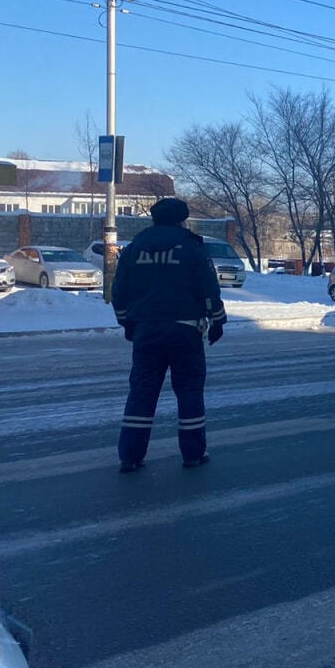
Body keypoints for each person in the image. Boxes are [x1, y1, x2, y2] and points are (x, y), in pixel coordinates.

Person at [111, 197, 227, 473]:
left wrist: (128, 324)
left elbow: (119, 292)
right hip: (185, 330)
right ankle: (193, 454)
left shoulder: (135, 248)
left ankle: (130, 455)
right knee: (189, 391)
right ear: (182, 219)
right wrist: (218, 321)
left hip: (146, 330)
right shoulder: (191, 248)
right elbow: (209, 288)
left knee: (141, 392)